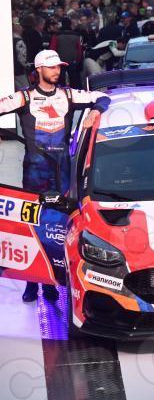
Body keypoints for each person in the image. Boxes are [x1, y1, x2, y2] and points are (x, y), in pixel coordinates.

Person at [0, 50, 110, 302]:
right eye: (51, 67)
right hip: (34, 176)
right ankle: (31, 282)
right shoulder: (24, 97)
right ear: (38, 69)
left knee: (58, 227)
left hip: (62, 175)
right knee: (31, 225)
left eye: (58, 67)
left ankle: (51, 280)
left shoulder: (68, 95)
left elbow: (103, 97)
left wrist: (95, 111)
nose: (56, 71)